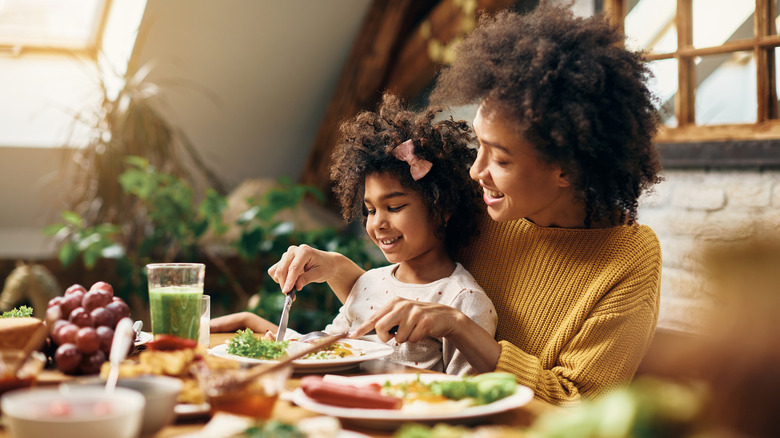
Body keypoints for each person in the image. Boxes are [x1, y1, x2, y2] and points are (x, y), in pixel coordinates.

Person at [267, 5, 663, 405]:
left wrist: (460, 328)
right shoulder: (487, 206)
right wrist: (336, 267)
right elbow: (414, 289)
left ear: (568, 168)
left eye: (501, 159)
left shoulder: (627, 259)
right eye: (480, 146)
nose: (476, 172)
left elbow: (576, 406)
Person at [213, 93, 497, 375]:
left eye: (394, 207)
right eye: (370, 210)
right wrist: (254, 324)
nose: (378, 224)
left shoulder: (461, 299)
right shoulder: (369, 282)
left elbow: (469, 393)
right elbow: (322, 352)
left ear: (442, 206)